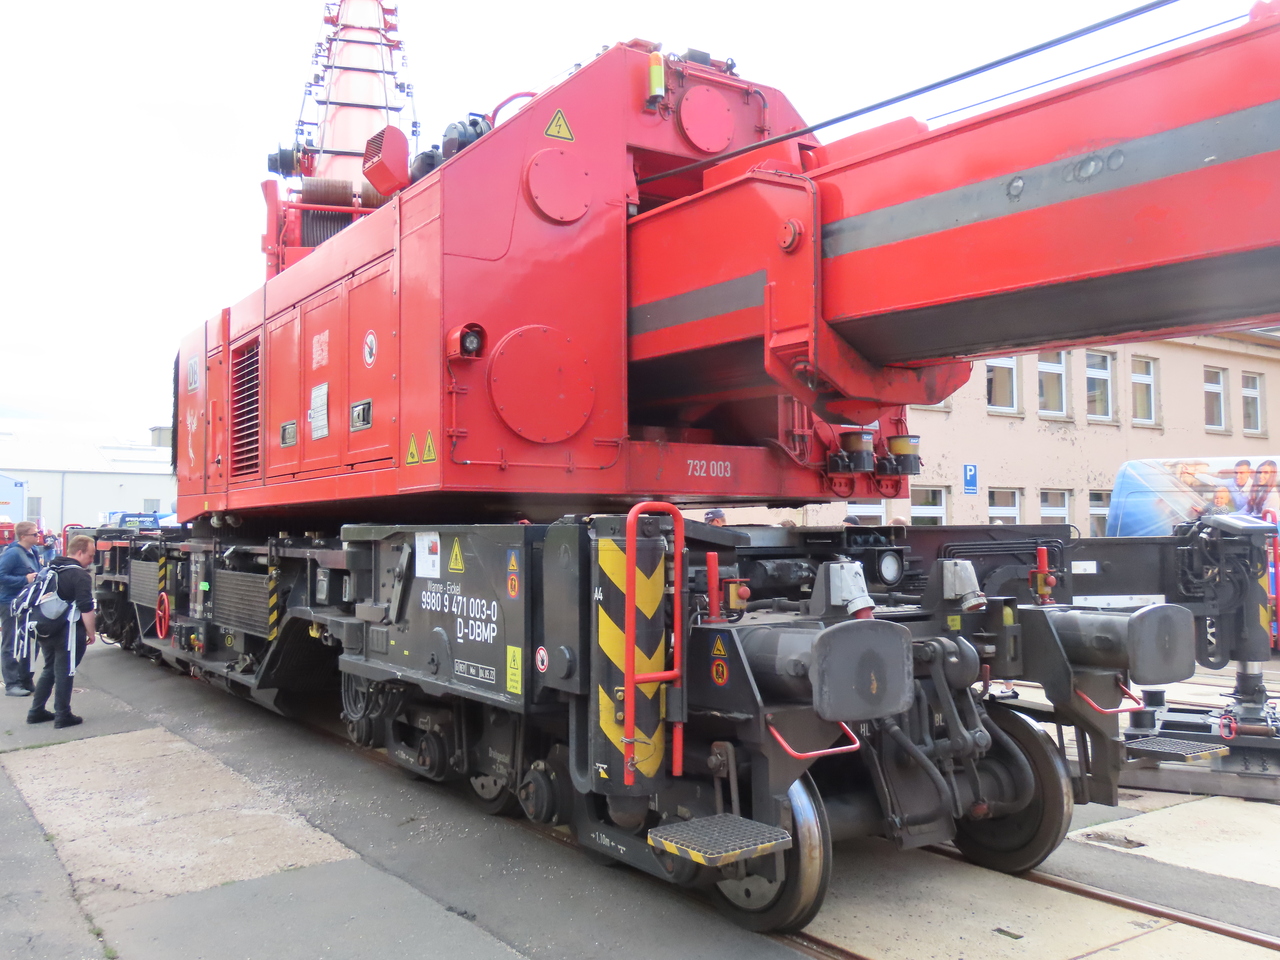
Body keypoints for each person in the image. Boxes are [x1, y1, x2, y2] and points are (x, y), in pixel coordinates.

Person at [26, 534, 96, 728]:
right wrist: (91, 633)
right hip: (68, 631)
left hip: (45, 627)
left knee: (49, 669)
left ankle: (36, 711)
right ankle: (63, 715)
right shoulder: (79, 575)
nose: (92, 560)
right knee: (66, 671)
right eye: (90, 555)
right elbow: (86, 607)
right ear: (79, 552)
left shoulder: (50, 568)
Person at [0, 521, 43, 696]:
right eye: (35, 534)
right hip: (10, 603)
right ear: (23, 536)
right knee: (11, 643)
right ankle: (12, 684)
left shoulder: (33, 551)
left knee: (31, 641)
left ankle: (25, 679)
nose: (38, 536)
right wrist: (24, 580)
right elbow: (1, 575)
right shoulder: (13, 554)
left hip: (27, 603)